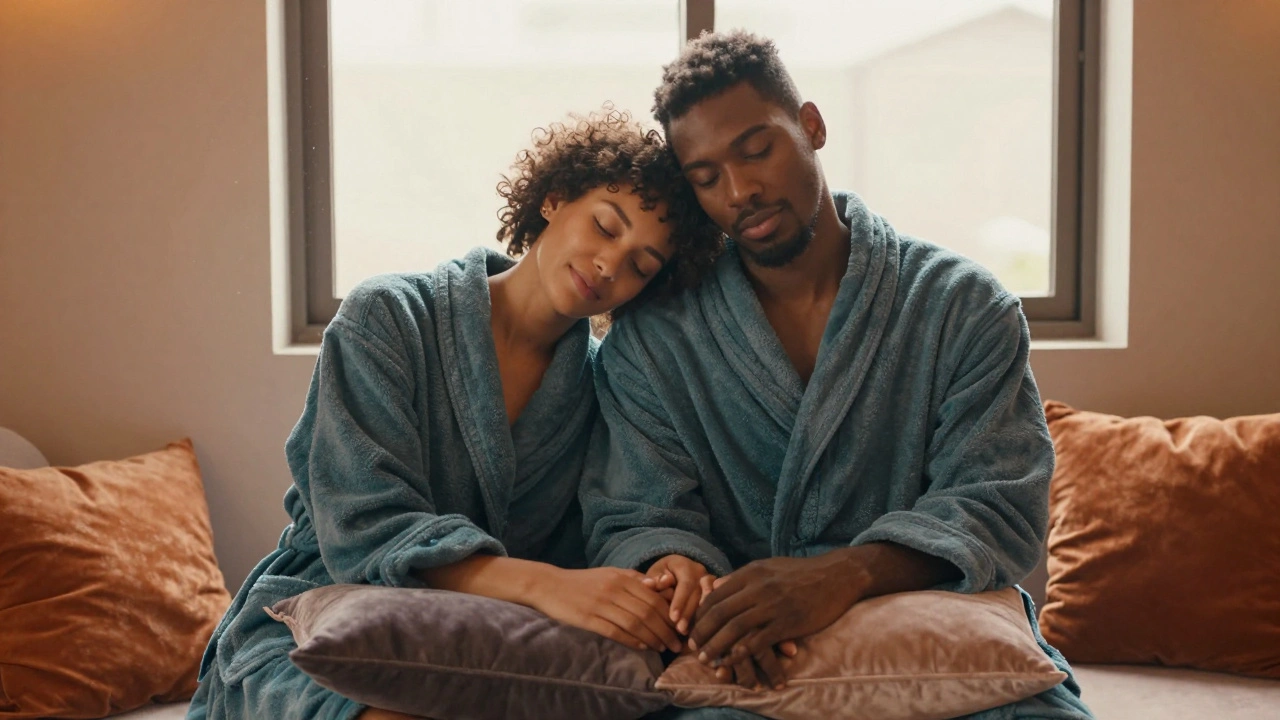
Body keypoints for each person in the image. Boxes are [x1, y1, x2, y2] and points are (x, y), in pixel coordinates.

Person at [582, 31, 1094, 719]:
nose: (740, 191)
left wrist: (845, 575)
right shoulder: (655, 336)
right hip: (746, 664)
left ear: (811, 126)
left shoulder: (961, 306)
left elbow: (997, 503)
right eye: (705, 178)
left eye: (757, 149)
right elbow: (637, 514)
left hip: (942, 653)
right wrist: (696, 586)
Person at [187, 108, 724, 720]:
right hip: (320, 619)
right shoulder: (387, 317)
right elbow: (364, 525)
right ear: (553, 198)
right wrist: (546, 585)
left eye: (641, 266)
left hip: (490, 640)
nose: (609, 265)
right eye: (604, 226)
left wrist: (667, 564)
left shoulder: (607, 383)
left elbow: (627, 513)